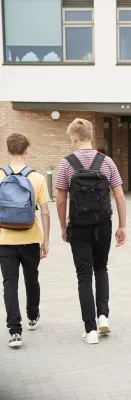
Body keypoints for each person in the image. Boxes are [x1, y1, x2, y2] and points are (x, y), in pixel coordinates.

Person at [56, 118, 127, 345]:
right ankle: (103, 315)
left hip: (78, 225)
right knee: (101, 268)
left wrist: (63, 226)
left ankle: (90, 330)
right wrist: (122, 226)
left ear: (74, 138)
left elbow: (60, 200)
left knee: (84, 276)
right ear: (92, 136)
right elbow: (119, 195)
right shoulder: (107, 162)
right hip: (103, 224)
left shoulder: (66, 164)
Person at [0, 134, 50, 348]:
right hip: (30, 238)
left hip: (4, 239)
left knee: (10, 284)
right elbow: (46, 213)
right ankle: (32, 315)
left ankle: (14, 332)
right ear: (26, 151)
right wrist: (45, 241)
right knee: (32, 279)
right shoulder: (37, 178)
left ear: (8, 151)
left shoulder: (0, 176)